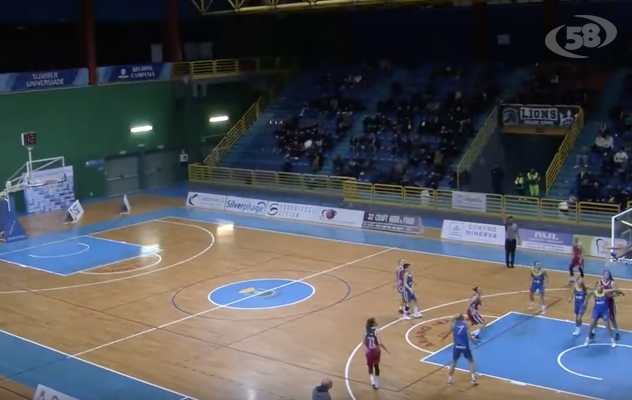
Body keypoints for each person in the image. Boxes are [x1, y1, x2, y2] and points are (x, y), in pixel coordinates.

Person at [441, 314, 478, 387]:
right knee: (471, 361)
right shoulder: (466, 325)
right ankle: (473, 380)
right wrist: (474, 342)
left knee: (454, 362)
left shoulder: (453, 326)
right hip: (465, 346)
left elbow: (445, 335)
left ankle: (449, 381)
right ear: (462, 319)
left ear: (456, 319)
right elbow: (470, 337)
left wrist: (442, 339)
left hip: (456, 347)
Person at [584, 282, 624, 347]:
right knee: (591, 324)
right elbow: (588, 294)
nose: (599, 287)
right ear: (596, 287)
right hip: (596, 310)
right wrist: (585, 302)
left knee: (608, 326)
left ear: (602, 287)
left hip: (604, 311)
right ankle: (587, 340)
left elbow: (614, 290)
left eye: (600, 285)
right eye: (597, 286)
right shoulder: (594, 292)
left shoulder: (605, 292)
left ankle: (612, 340)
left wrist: (621, 293)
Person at [364, 317, 389, 389]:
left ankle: (373, 382)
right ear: (373, 323)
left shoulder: (365, 329)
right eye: (375, 321)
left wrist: (366, 349)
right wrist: (386, 350)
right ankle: (377, 383)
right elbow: (380, 343)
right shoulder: (377, 330)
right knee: (376, 366)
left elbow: (363, 342)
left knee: (370, 366)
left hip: (368, 351)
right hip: (375, 351)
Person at [598, 270, 621, 341]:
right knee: (596, 317)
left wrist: (612, 295)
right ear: (603, 275)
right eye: (605, 273)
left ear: (609, 275)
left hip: (610, 303)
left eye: (608, 273)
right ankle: (592, 332)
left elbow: (617, 293)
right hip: (602, 303)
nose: (606, 274)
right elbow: (597, 292)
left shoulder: (612, 283)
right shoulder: (600, 282)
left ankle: (617, 332)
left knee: (612, 319)